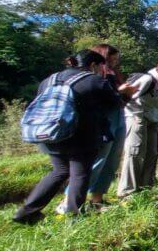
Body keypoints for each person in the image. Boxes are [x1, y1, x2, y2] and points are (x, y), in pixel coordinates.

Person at [13, 50, 125, 224]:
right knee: (80, 174)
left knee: (60, 171)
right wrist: (124, 92)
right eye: (101, 66)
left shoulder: (50, 79)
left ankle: (26, 212)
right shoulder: (94, 80)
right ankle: (73, 216)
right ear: (94, 65)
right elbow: (115, 103)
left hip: (50, 133)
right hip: (80, 137)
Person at [54, 44, 133, 214]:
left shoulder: (114, 74)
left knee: (112, 160)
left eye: (116, 57)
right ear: (102, 56)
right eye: (112, 57)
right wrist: (119, 91)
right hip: (102, 120)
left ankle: (97, 200)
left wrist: (126, 93)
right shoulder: (92, 75)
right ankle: (69, 202)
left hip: (119, 116)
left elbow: (118, 100)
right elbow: (94, 98)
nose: (115, 60)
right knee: (97, 160)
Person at [117, 60, 158, 198]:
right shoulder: (147, 79)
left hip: (153, 120)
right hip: (136, 117)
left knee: (152, 152)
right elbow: (132, 100)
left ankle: (146, 188)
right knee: (135, 151)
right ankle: (127, 192)